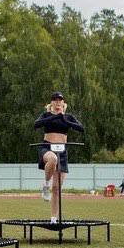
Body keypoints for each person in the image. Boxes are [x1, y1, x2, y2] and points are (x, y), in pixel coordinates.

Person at [33, 92, 84, 223]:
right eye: (55, 100)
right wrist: (54, 117)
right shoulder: (46, 115)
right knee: (52, 159)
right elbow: (36, 124)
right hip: (47, 147)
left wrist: (64, 119)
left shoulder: (68, 117)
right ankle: (46, 184)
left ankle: (53, 219)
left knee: (56, 189)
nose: (57, 102)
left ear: (63, 103)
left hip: (62, 151)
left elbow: (81, 128)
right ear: (51, 103)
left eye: (59, 100)